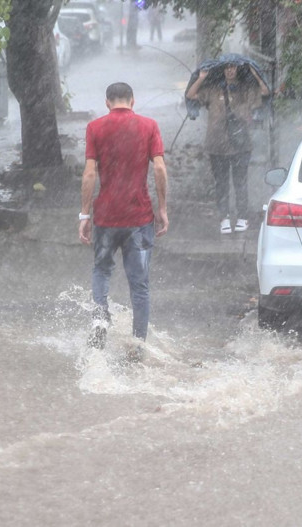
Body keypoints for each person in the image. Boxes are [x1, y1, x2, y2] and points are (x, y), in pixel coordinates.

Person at [78, 82, 169, 358]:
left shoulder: (95, 128)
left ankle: (100, 317)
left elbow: (89, 174)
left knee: (101, 270)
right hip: (139, 218)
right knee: (139, 285)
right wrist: (162, 208)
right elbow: (160, 168)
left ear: (107, 102)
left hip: (106, 217)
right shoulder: (149, 126)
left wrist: (84, 214)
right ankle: (138, 345)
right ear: (133, 101)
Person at [186, 60, 270, 234]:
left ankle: (242, 217)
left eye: (233, 67)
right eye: (227, 67)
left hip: (241, 144)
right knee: (221, 183)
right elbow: (191, 95)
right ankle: (224, 217)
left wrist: (256, 75)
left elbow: (264, 92)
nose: (230, 70)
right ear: (222, 70)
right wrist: (201, 78)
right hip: (216, 145)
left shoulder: (245, 88)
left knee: (240, 183)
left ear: (238, 69)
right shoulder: (213, 89)